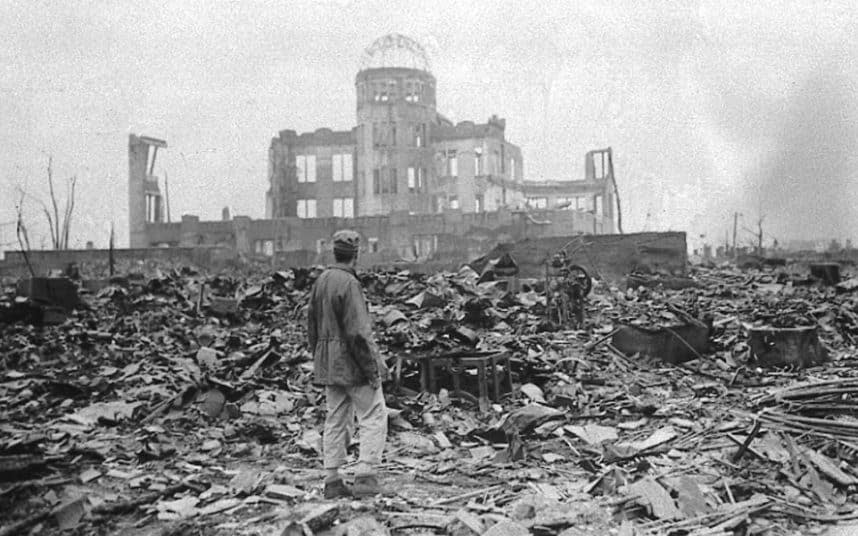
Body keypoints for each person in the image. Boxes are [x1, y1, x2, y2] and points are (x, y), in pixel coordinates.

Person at [307, 230, 388, 499]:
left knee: (336, 418)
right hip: (352, 363)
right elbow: (358, 333)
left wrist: (321, 358)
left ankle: (332, 479)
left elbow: (312, 327)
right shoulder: (349, 284)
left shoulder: (321, 281)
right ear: (356, 254)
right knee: (374, 414)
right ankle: (366, 475)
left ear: (334, 252)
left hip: (329, 363)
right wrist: (372, 368)